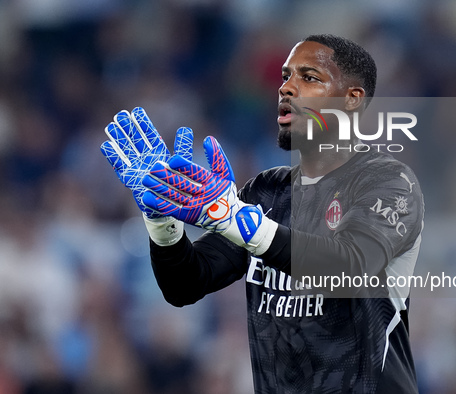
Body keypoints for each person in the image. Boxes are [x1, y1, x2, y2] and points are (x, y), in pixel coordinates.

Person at [101, 34, 424, 394]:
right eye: (286, 76)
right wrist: (163, 224)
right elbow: (185, 285)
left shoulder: (390, 184)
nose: (286, 88)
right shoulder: (267, 192)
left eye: (309, 77)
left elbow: (348, 265)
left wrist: (240, 223)